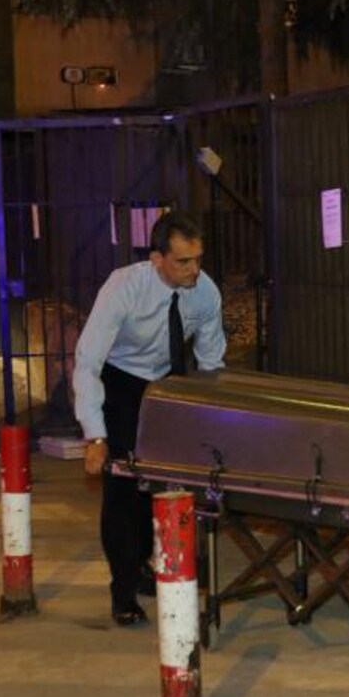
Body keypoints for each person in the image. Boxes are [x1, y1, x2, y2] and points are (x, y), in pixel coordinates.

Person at [73, 212, 225, 627]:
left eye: (198, 259)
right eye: (183, 262)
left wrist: (208, 416)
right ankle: (123, 589)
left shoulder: (204, 292)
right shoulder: (124, 287)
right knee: (123, 492)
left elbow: (211, 361)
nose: (194, 269)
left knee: (165, 486)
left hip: (169, 387)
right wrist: (95, 435)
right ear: (158, 258)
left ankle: (150, 565)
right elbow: (87, 362)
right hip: (121, 386)